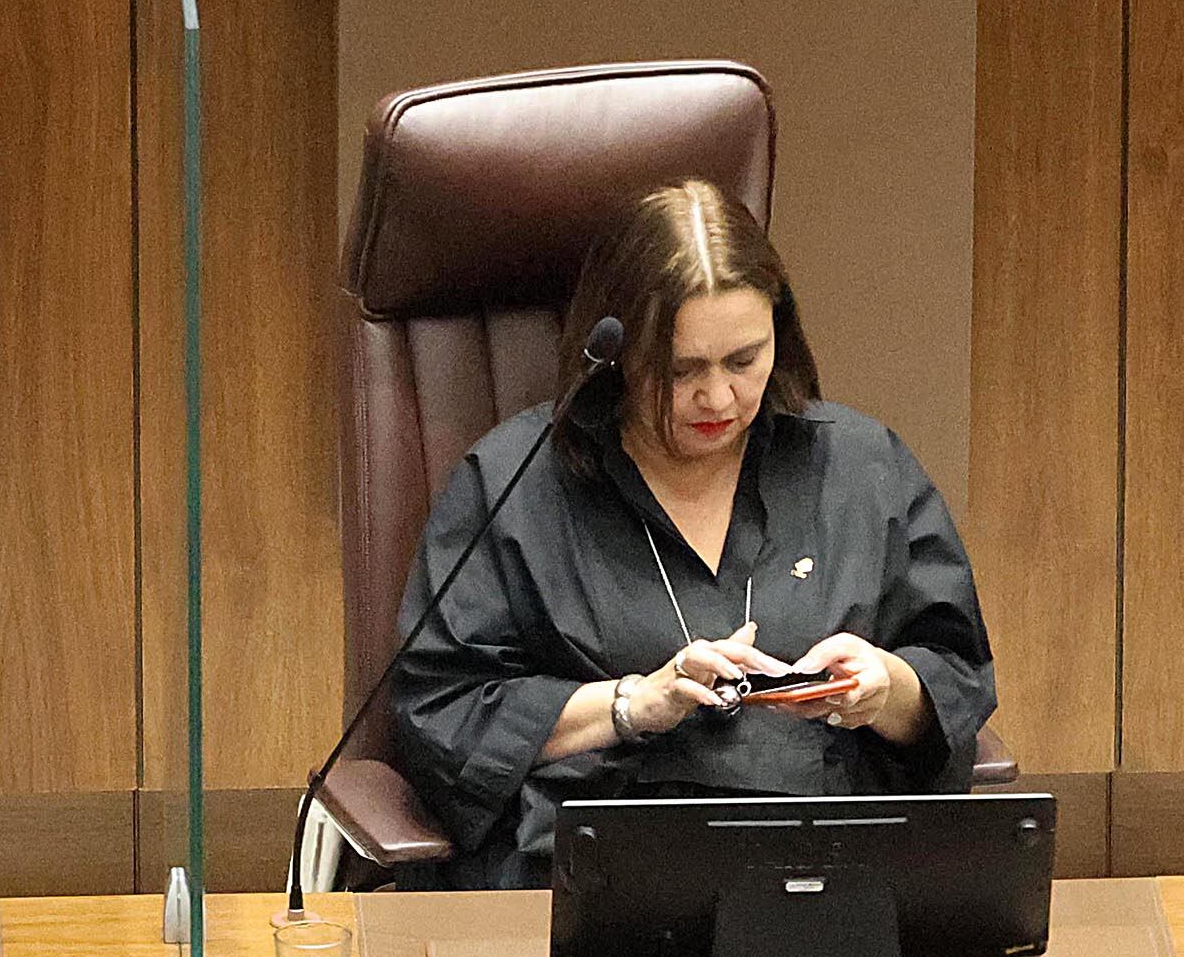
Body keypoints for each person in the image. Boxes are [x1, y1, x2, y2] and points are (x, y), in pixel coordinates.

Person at [387, 179, 997, 888]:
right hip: (595, 880)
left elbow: (953, 675)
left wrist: (886, 688)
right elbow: (439, 708)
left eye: (744, 360)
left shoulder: (861, 468)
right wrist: (632, 705)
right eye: (680, 370)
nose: (718, 397)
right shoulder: (515, 482)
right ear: (616, 357)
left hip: (827, 872)